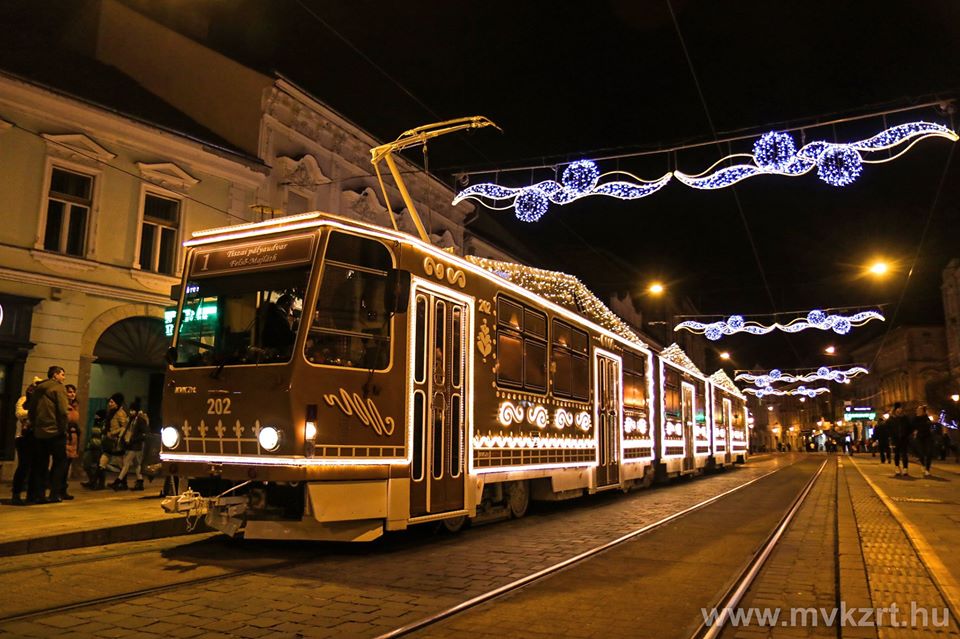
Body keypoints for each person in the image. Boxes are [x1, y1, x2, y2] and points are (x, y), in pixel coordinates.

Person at [27, 366, 70, 503]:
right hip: (56, 432)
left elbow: (31, 411)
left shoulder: (38, 389)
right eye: (62, 374)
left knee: (41, 464)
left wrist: (35, 426)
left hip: (39, 433)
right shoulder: (58, 388)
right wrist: (64, 429)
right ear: (55, 375)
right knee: (60, 463)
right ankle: (54, 493)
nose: (63, 377)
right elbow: (63, 411)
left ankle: (39, 495)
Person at [11, 377, 42, 505]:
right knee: (24, 466)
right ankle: (16, 493)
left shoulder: (41, 402)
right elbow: (20, 413)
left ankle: (32, 494)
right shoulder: (24, 400)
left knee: (36, 467)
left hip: (37, 437)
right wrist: (34, 412)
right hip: (23, 437)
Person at [94, 393, 129, 490]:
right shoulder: (111, 412)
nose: (109, 404)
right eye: (109, 401)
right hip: (109, 442)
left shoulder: (120, 413)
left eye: (112, 402)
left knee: (121, 464)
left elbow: (124, 427)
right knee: (102, 462)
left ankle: (122, 483)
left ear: (117, 403)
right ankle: (98, 483)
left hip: (116, 443)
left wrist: (113, 433)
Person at [114, 399, 149, 491]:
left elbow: (144, 433)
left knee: (126, 462)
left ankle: (118, 481)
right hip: (131, 445)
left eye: (133, 410)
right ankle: (140, 481)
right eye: (130, 410)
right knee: (137, 464)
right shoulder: (131, 420)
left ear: (137, 411)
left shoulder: (140, 420)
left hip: (136, 445)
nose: (131, 412)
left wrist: (133, 439)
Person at [62, 384, 81, 500]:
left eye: (73, 392)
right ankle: (59, 489)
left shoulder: (75, 406)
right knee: (62, 465)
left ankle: (63, 489)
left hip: (73, 437)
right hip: (66, 437)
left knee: (67, 465)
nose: (72, 394)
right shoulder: (64, 406)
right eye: (69, 392)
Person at [81, 409, 107, 489]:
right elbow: (92, 436)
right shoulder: (95, 424)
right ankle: (92, 480)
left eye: (98, 416)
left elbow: (104, 437)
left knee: (100, 467)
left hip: (100, 448)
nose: (96, 417)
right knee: (86, 464)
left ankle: (100, 483)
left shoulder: (105, 425)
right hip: (91, 447)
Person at [888, 402, 913, 477]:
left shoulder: (905, 418)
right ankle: (897, 468)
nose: (899, 410)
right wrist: (891, 435)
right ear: (895, 410)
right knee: (897, 454)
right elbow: (888, 428)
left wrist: (907, 434)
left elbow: (910, 427)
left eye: (900, 409)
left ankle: (905, 469)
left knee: (904, 454)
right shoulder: (891, 419)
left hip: (904, 438)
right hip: (895, 439)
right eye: (898, 409)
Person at [913, 404, 936, 478]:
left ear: (923, 412)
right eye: (917, 410)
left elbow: (931, 425)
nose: (918, 411)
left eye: (919, 410)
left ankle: (927, 470)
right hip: (919, 437)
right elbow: (912, 427)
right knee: (921, 453)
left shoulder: (926, 418)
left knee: (929, 453)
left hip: (927, 437)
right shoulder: (915, 419)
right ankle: (923, 464)